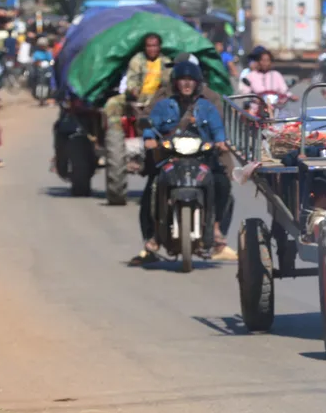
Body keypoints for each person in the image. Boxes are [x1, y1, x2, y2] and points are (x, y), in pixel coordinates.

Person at [130, 60, 238, 265]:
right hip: (170, 156)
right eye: (182, 80)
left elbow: (217, 128)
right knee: (152, 189)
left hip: (202, 156)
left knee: (222, 183)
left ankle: (215, 229)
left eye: (190, 80)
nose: (186, 84)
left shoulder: (208, 104)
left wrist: (220, 142)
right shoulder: (163, 102)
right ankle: (152, 238)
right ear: (175, 82)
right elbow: (150, 123)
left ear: (197, 82)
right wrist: (149, 138)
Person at [102, 33, 171, 206]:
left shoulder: (166, 62)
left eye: (155, 46)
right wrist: (133, 92)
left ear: (160, 47)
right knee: (111, 104)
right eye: (149, 46)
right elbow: (132, 80)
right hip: (138, 99)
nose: (152, 49)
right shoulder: (137, 61)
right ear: (144, 47)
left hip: (159, 100)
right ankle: (115, 134)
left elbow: (170, 82)